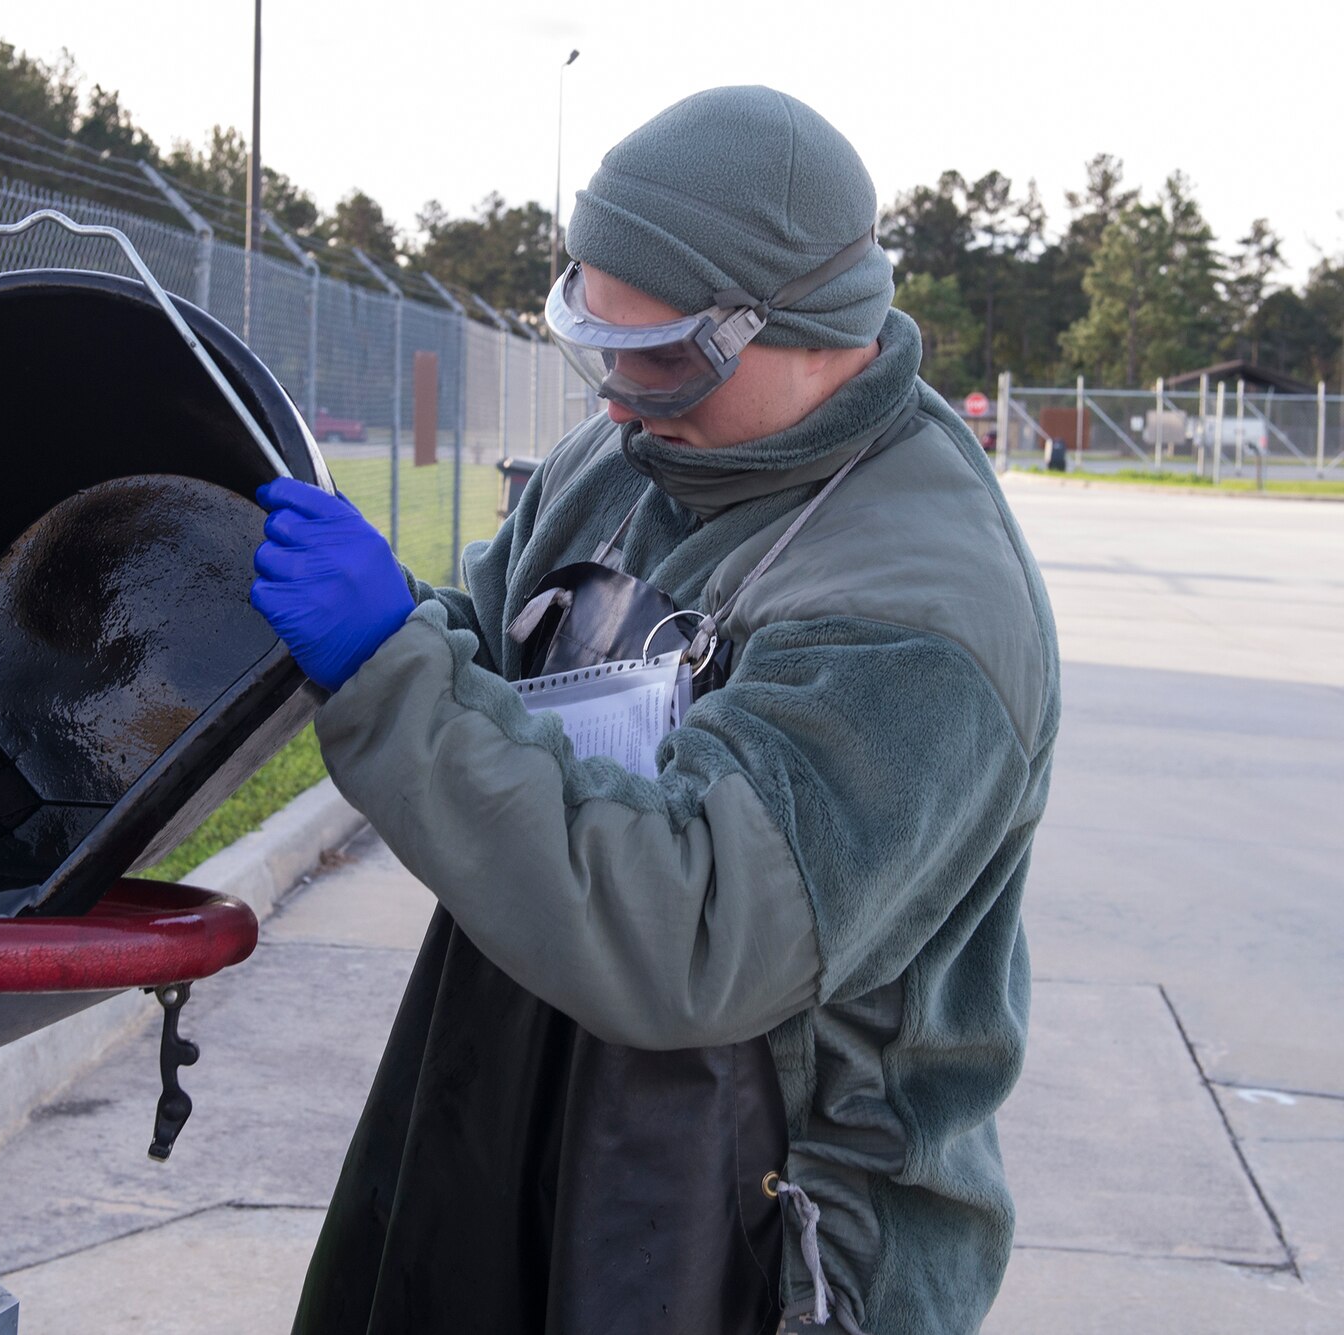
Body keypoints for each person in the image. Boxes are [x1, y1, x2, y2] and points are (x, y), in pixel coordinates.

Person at [250, 85, 1057, 1335]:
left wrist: (387, 672)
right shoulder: (626, 463)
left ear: (811, 324)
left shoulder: (919, 615)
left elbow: (690, 939)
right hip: (517, 1115)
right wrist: (390, 624)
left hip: (752, 1239)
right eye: (599, 342)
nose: (619, 396)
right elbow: (478, 650)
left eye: (667, 354)